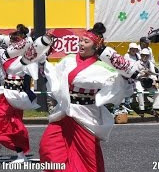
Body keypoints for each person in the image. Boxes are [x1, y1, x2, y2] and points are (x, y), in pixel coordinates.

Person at [39, 23, 136, 172]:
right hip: (64, 112)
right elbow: (55, 76)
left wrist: (130, 76)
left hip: (86, 115)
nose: (81, 44)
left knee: (88, 159)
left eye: (86, 41)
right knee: (48, 149)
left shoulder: (104, 67)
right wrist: (42, 60)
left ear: (96, 46)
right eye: (81, 40)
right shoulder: (69, 60)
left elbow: (123, 84)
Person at [0, 27, 38, 163]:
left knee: (14, 126)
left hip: (16, 96)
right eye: (11, 41)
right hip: (4, 92)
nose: (12, 44)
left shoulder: (26, 59)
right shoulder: (6, 54)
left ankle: (21, 155)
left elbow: (33, 73)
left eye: (15, 41)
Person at [135, 48, 159, 118]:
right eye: (143, 55)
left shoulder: (150, 63)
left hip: (148, 80)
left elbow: (153, 74)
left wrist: (154, 81)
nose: (145, 57)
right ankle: (142, 109)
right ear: (141, 55)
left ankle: (154, 108)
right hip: (139, 80)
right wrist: (143, 75)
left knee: (158, 92)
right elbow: (135, 74)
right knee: (140, 91)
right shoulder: (137, 63)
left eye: (147, 55)